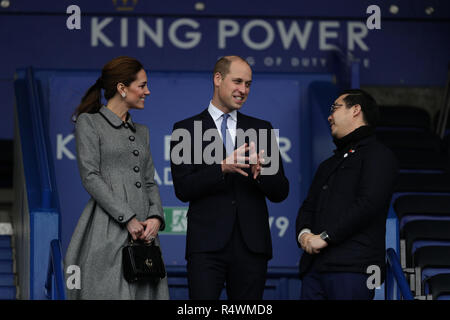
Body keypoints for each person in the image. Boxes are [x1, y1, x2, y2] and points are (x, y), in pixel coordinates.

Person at [170, 55, 289, 300]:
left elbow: (281, 191)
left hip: (252, 247)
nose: (243, 90)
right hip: (206, 247)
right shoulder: (186, 129)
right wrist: (221, 168)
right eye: (237, 82)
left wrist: (261, 174)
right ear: (217, 79)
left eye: (248, 84)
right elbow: (183, 188)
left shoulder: (261, 128)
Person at [64, 56, 169, 299]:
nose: (147, 91)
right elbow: (90, 176)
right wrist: (128, 218)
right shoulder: (89, 123)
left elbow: (149, 180)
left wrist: (156, 217)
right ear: (122, 88)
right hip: (107, 227)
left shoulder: (142, 132)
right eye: (142, 86)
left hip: (145, 234)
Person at [295, 89, 398, 300]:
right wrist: (304, 234)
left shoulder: (379, 155)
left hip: (354, 269)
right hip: (314, 269)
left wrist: (325, 237)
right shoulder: (328, 164)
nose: (329, 116)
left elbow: (368, 204)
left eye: (335, 108)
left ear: (356, 110)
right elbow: (308, 206)